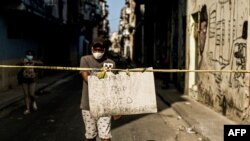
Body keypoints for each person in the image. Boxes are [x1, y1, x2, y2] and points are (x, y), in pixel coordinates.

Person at [79, 38, 120, 141]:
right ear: (92, 49)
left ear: (104, 50)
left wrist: (116, 108)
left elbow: (114, 86)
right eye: (95, 49)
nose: (98, 51)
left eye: (100, 49)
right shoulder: (85, 60)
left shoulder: (111, 63)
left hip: (105, 106)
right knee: (90, 136)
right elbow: (86, 77)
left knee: (105, 136)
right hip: (88, 105)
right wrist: (102, 78)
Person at [19, 50, 43, 115]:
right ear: (26, 55)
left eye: (31, 55)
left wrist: (33, 61)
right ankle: (28, 109)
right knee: (26, 94)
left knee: (32, 94)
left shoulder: (34, 61)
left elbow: (41, 63)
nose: (29, 56)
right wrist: (23, 62)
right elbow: (18, 63)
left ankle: (34, 102)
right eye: (28, 55)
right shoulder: (24, 60)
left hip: (32, 79)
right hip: (24, 79)